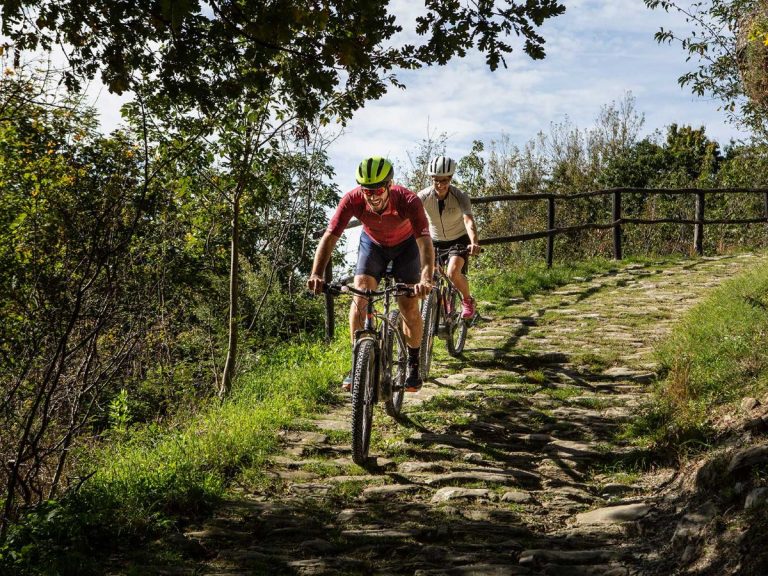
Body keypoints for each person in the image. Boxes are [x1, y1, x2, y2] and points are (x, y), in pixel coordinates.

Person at [307, 156, 435, 392]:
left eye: (377, 190)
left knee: (408, 305)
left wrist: (426, 279)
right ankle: (357, 363)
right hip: (373, 246)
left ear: (389, 185)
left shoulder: (408, 200)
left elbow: (425, 243)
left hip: (406, 248)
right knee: (359, 300)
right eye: (367, 191)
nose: (372, 196)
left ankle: (414, 363)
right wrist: (316, 274)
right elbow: (330, 237)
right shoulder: (352, 200)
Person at [418, 155, 481, 319]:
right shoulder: (424, 196)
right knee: (430, 275)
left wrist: (474, 242)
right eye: (436, 180)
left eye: (444, 181)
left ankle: (467, 300)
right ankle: (442, 303)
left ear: (451, 178)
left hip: (458, 240)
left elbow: (468, 221)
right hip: (435, 240)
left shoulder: (460, 196)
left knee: (452, 273)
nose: (440, 185)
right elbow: (411, 217)